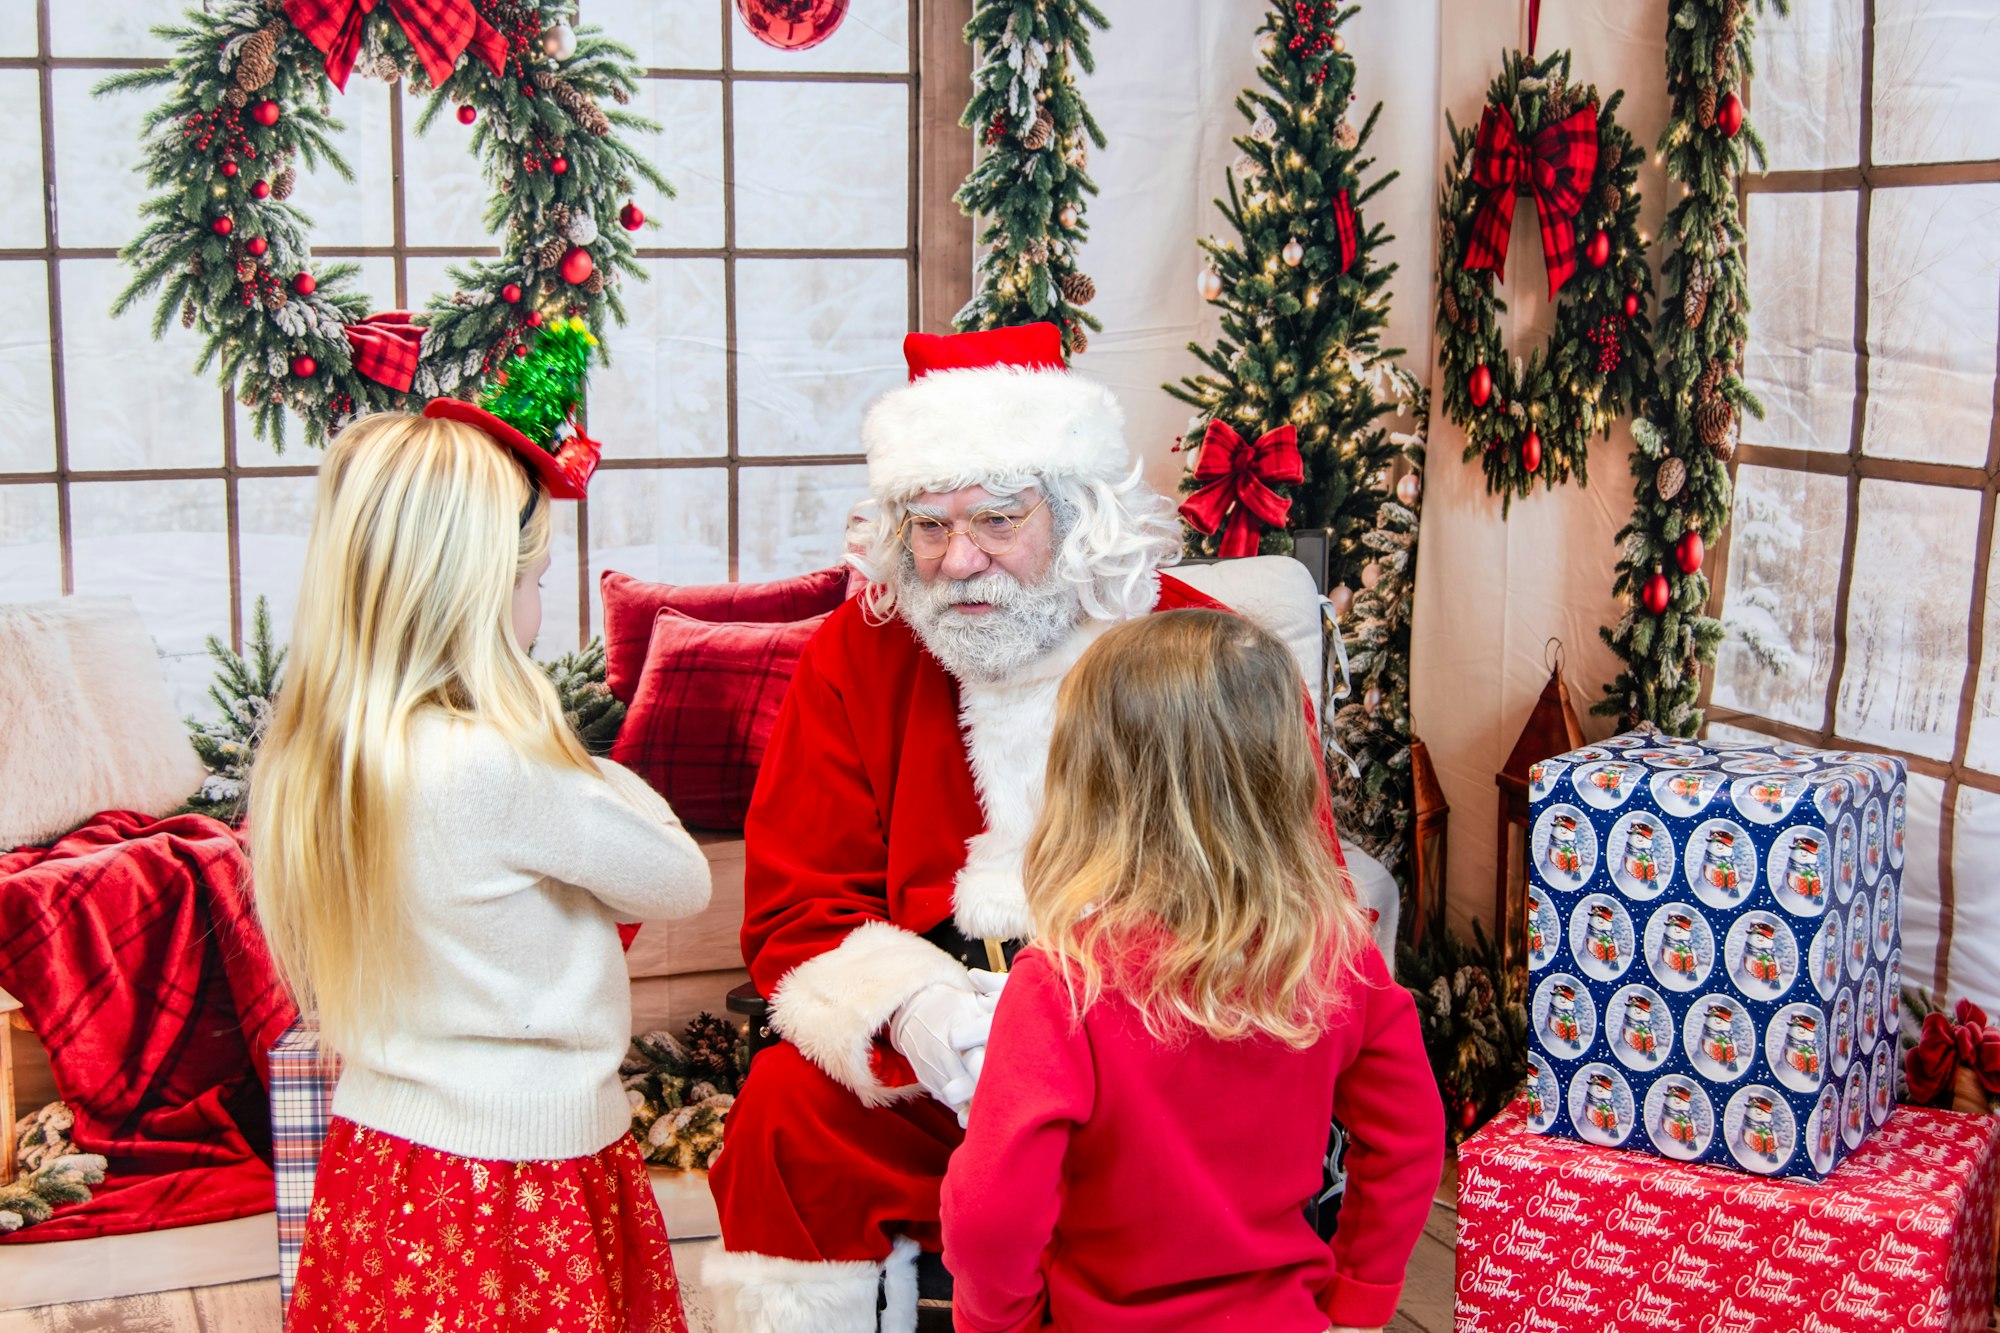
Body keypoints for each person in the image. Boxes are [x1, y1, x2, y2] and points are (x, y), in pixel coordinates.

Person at [704, 321, 1345, 1332]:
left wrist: (1099, 1035)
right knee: (785, 1114)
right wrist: (916, 1014)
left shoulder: (1201, 657)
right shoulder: (857, 653)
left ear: (1073, 511)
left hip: (1157, 1040)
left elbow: (1292, 896)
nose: (959, 560)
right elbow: (797, 904)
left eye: (997, 519)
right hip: (938, 1045)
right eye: (928, 525)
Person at [250, 336, 713, 1333]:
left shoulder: (328, 752)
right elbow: (678, 881)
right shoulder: (505, 770)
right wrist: (587, 765)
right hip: (521, 1170)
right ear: (476, 595)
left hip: (383, 1158)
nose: (540, 603)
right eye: (534, 575)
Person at [940, 609, 1445, 1333]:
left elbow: (989, 1214)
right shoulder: (1338, 956)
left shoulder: (1062, 984)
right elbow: (1411, 1137)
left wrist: (1003, 1323)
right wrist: (1362, 1295)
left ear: (1090, 779)